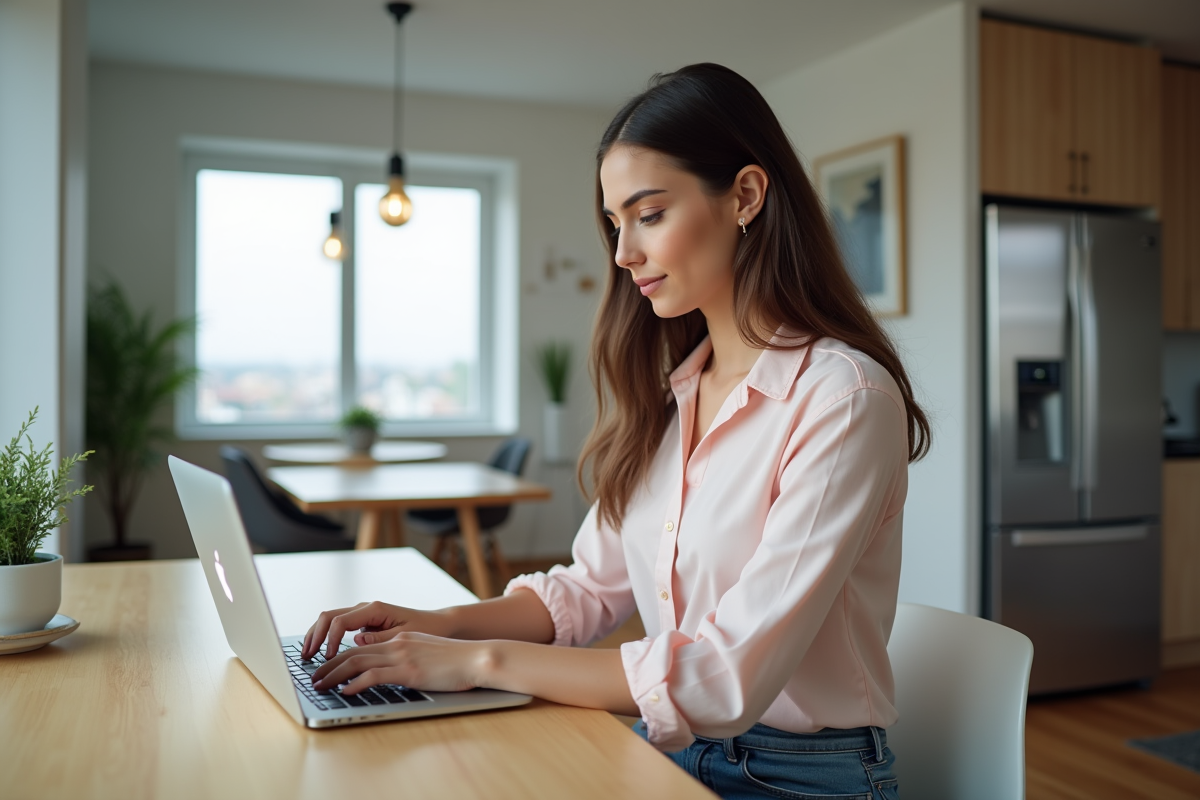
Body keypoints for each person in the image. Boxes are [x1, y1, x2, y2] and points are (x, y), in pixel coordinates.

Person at [302, 63, 929, 800]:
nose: (624, 253)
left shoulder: (843, 398)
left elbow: (723, 681)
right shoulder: (676, 394)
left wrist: (476, 664)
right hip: (667, 747)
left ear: (746, 197)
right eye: (614, 224)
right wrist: (434, 627)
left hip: (798, 777)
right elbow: (583, 592)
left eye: (649, 214)